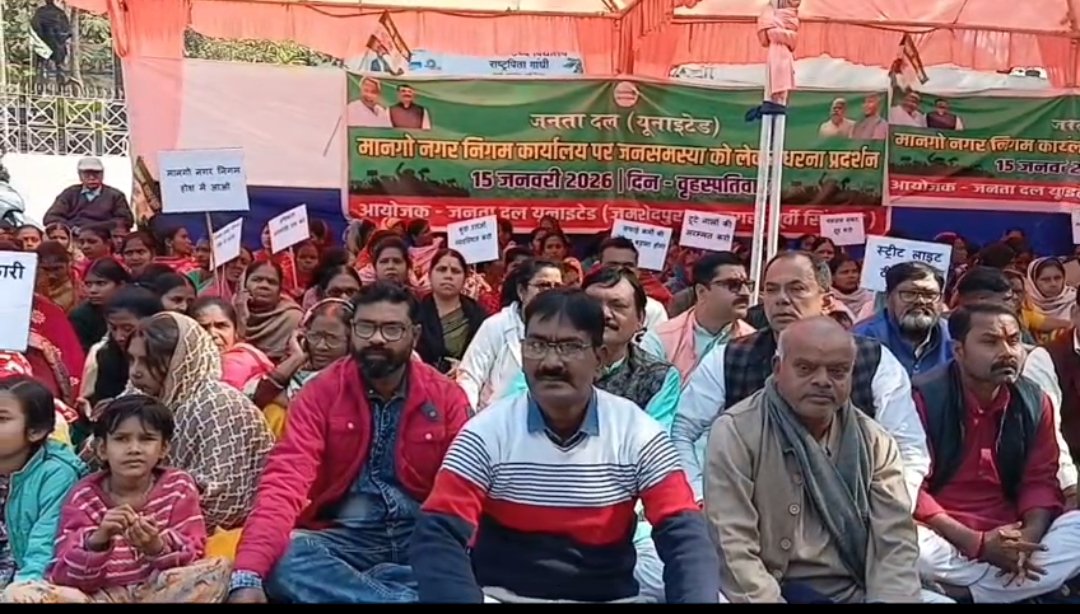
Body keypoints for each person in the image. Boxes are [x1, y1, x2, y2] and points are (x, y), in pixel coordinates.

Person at [412, 288, 720, 603]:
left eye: (570, 347)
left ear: (599, 358)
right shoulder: (485, 433)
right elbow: (439, 533)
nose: (551, 362)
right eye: (537, 345)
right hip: (503, 597)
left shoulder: (637, 433)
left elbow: (684, 536)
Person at [227, 282, 471, 604]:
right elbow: (285, 481)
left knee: (476, 562)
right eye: (366, 327)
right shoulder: (321, 393)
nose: (377, 339)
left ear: (414, 335)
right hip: (347, 539)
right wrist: (248, 572)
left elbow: (465, 486)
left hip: (423, 537)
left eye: (392, 329)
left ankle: (370, 589)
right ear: (353, 330)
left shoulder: (446, 396)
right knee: (282, 561)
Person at [676, 252, 929, 505]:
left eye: (796, 289)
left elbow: (909, 447)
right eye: (772, 290)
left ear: (826, 301)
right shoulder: (729, 358)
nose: (782, 299)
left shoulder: (873, 360)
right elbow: (681, 431)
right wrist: (700, 497)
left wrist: (889, 511)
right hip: (750, 510)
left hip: (851, 508)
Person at [705, 317, 927, 603]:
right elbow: (733, 547)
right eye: (805, 368)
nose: (822, 380)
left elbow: (895, 543)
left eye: (837, 371)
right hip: (770, 589)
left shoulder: (875, 442)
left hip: (856, 590)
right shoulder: (737, 432)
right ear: (777, 368)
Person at [914, 304, 1080, 603]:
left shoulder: (1034, 400)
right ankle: (1018, 588)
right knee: (901, 540)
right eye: (990, 342)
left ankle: (967, 593)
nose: (1007, 352)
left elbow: (1040, 479)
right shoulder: (923, 398)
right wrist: (977, 544)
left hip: (1012, 531)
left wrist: (1028, 538)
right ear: (959, 350)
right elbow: (912, 489)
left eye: (1014, 341)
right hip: (944, 535)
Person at [6, 396, 229, 603]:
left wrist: (156, 546)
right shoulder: (85, 494)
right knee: (19, 593)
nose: (134, 449)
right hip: (99, 596)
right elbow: (65, 574)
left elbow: (193, 552)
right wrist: (98, 540)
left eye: (146, 439)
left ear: (163, 448)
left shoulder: (178, 486)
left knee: (217, 570)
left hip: (158, 591)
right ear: (102, 449)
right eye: (121, 439)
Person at [125, 312, 274, 548]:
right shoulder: (138, 395)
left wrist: (152, 528)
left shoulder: (218, 405)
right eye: (132, 360)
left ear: (180, 360)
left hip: (225, 535)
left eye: (147, 362)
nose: (135, 371)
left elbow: (223, 502)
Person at [0, 376, 86, 601]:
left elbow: (45, 545)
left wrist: (24, 584)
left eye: (2, 418)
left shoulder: (56, 474)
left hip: (30, 578)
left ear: (36, 431)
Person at [457, 259, 563, 410]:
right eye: (543, 285)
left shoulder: (568, 329)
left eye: (557, 287)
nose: (550, 293)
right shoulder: (496, 326)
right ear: (521, 291)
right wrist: (470, 418)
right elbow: (470, 377)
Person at [641, 252, 756, 380]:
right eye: (733, 285)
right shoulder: (661, 339)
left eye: (747, 284)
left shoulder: (754, 343)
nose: (745, 293)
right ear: (701, 291)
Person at [250, 298, 353, 438]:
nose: (321, 346)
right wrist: (296, 357)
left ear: (350, 342)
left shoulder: (350, 380)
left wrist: (280, 399)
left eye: (332, 339)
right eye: (315, 336)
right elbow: (257, 397)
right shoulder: (299, 370)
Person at [853, 262, 952, 376]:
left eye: (929, 295)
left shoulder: (954, 336)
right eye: (909, 294)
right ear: (888, 297)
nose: (920, 301)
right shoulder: (862, 339)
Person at [81, 287, 163, 408]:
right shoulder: (106, 356)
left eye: (127, 329)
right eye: (113, 328)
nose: (119, 337)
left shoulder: (169, 357)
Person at [416, 249, 487, 374]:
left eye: (455, 271)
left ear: (464, 278)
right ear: (430, 275)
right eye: (442, 269)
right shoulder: (415, 313)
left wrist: (464, 367)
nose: (448, 276)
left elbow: (486, 355)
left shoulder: (478, 315)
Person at [189, 296, 274, 394]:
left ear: (236, 331)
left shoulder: (237, 361)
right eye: (203, 328)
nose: (212, 334)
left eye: (221, 326)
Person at [43, 157, 132, 233]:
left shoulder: (115, 196)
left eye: (96, 173)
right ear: (80, 175)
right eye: (87, 174)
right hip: (73, 235)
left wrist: (94, 229)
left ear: (102, 174)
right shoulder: (70, 193)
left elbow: (125, 220)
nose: (92, 177)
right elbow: (51, 217)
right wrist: (71, 228)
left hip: (103, 237)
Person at [237, 261, 303, 363]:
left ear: (279, 289)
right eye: (257, 280)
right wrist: (241, 318)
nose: (264, 285)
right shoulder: (229, 311)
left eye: (272, 282)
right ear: (244, 284)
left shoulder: (293, 318)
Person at [597, 237, 669, 328]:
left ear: (637, 271)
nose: (620, 270)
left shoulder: (654, 310)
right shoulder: (585, 303)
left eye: (628, 266)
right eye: (612, 265)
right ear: (597, 268)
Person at [68, 258, 131, 352]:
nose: (92, 290)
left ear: (121, 285)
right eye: (88, 284)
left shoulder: (136, 309)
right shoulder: (80, 317)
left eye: (101, 283)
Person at [36, 240, 81, 313]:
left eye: (57, 269)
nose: (51, 275)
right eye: (45, 269)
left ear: (68, 265)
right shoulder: (30, 287)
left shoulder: (80, 287)